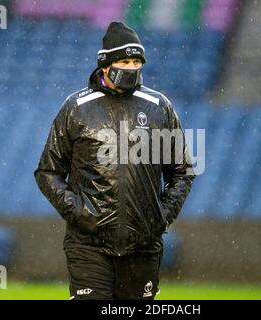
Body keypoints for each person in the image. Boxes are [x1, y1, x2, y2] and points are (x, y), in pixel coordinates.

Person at [34, 21, 195, 300]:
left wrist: (159, 217)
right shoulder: (76, 108)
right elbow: (47, 172)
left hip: (142, 248)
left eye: (136, 61)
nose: (131, 68)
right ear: (106, 65)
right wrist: (81, 214)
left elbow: (182, 171)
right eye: (124, 61)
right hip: (88, 247)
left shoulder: (159, 107)